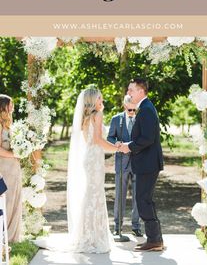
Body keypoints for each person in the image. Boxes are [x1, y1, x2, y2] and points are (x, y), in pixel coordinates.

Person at [35, 85, 118, 253]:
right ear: (93, 100)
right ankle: (92, 236)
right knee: (95, 194)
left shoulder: (85, 117)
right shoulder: (98, 114)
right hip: (94, 159)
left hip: (90, 158)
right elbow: (98, 140)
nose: (102, 101)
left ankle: (87, 234)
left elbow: (92, 140)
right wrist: (117, 148)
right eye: (100, 98)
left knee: (92, 194)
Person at [118, 78, 164, 252]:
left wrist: (128, 146)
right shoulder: (145, 108)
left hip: (148, 163)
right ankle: (156, 239)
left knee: (143, 200)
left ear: (141, 91)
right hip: (148, 162)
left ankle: (154, 240)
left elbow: (147, 139)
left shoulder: (145, 110)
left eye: (131, 90)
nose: (128, 93)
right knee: (146, 200)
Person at [107, 95, 142, 237]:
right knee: (120, 196)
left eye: (134, 109)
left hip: (139, 162)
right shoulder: (116, 119)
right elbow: (110, 137)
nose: (132, 112)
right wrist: (116, 144)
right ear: (124, 106)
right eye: (130, 109)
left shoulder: (141, 119)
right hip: (121, 162)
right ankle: (117, 226)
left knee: (137, 197)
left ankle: (136, 226)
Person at [0, 94, 22, 242]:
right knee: (6, 201)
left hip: (14, 169)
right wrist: (15, 154)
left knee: (15, 201)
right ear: (3, 107)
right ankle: (3, 236)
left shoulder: (8, 124)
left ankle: (12, 237)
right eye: (10, 104)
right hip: (4, 168)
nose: (13, 107)